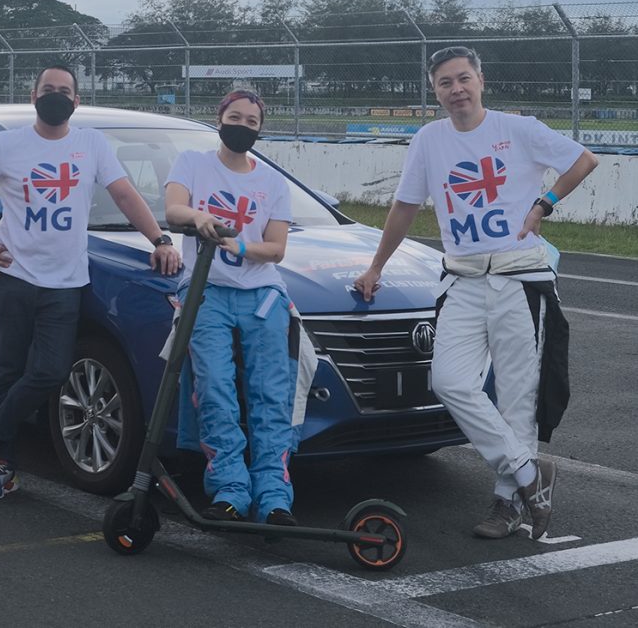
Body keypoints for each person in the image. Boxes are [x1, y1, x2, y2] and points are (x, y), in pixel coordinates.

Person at [353, 46, 598, 540]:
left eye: (463, 79)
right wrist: (375, 265)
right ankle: (531, 473)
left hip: (519, 278)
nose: (456, 90)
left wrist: (543, 204)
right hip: (462, 278)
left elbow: (583, 160)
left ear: (481, 81)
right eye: (445, 83)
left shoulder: (517, 129)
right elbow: (404, 207)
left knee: (517, 399)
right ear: (435, 90)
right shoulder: (429, 140)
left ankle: (507, 502)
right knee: (450, 382)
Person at [0, 65, 182, 500]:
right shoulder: (7, 144)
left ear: (76, 101)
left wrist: (161, 238)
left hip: (65, 283)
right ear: (33, 94)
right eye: (48, 89)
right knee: (6, 371)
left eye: (64, 91)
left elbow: (124, 195)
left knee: (50, 371)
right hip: (13, 276)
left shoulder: (90, 144)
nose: (55, 96)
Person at [163, 90, 297, 526]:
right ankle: (230, 490)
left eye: (252, 121)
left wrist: (240, 244)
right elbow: (173, 208)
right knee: (216, 390)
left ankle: (275, 496)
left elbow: (276, 249)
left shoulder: (273, 181)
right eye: (234, 117)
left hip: (262, 296)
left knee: (271, 396)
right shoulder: (193, 163)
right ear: (219, 118)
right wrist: (197, 217)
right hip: (207, 292)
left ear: (260, 128)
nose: (242, 125)